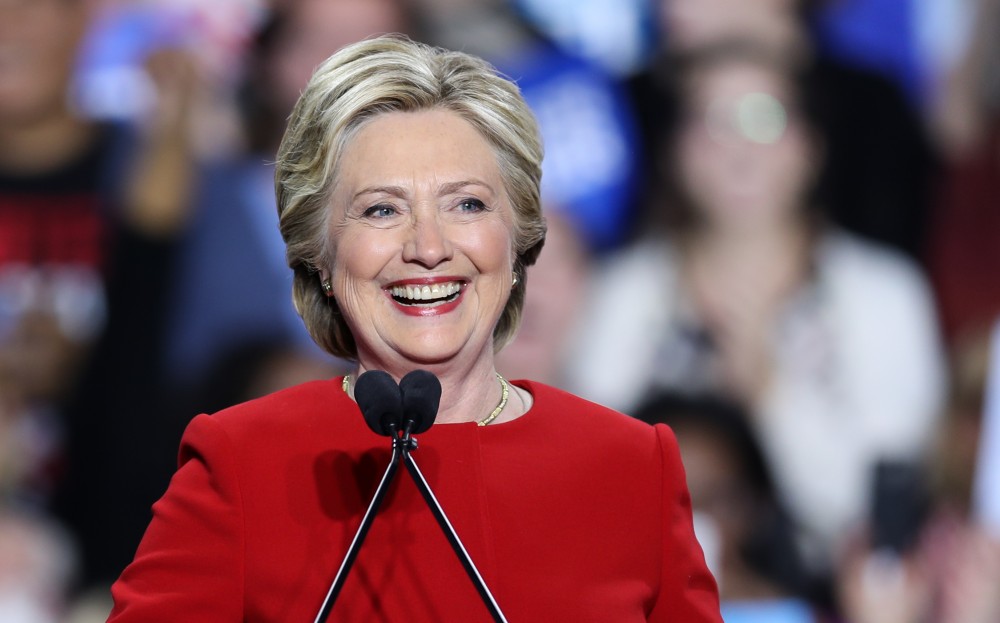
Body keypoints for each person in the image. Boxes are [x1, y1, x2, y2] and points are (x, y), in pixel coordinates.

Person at [106, 35, 721, 621]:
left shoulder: (633, 468)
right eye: (381, 209)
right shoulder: (241, 462)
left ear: (518, 241)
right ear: (319, 255)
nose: (428, 247)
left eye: (467, 204)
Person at [566, 40, 945, 576]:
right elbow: (588, 488)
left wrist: (771, 395)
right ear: (676, 149)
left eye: (763, 118)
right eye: (711, 121)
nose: (738, 147)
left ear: (812, 143)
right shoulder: (624, 293)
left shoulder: (885, 294)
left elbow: (883, 514)